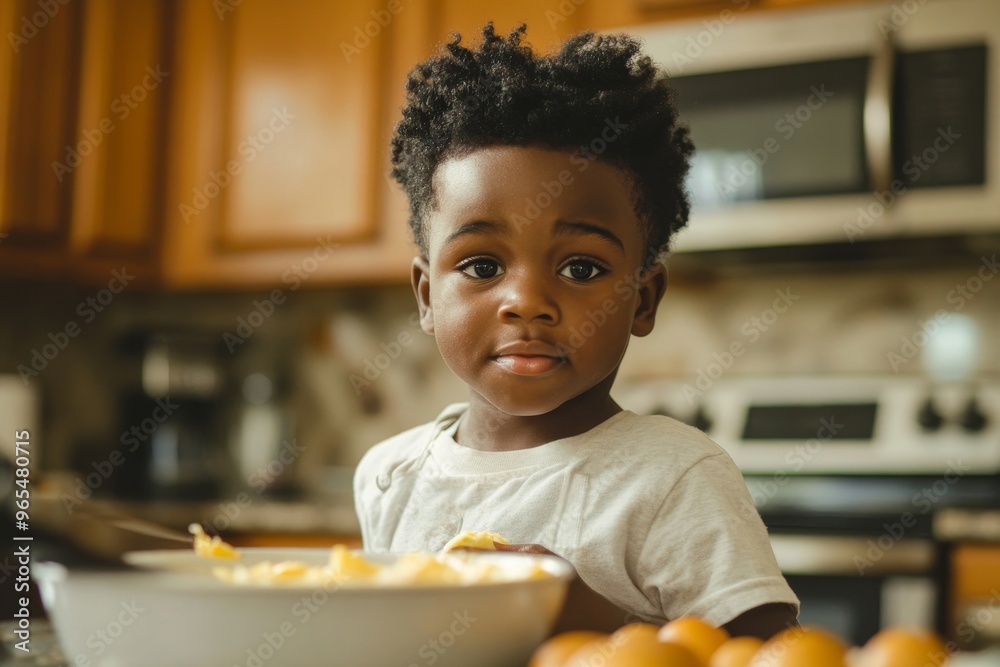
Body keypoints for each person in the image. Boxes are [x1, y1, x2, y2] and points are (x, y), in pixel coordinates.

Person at [353, 22, 799, 639]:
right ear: (427, 296)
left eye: (580, 267)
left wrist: (597, 624)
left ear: (643, 302)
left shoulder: (673, 478)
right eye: (482, 266)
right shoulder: (389, 475)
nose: (528, 302)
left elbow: (770, 657)